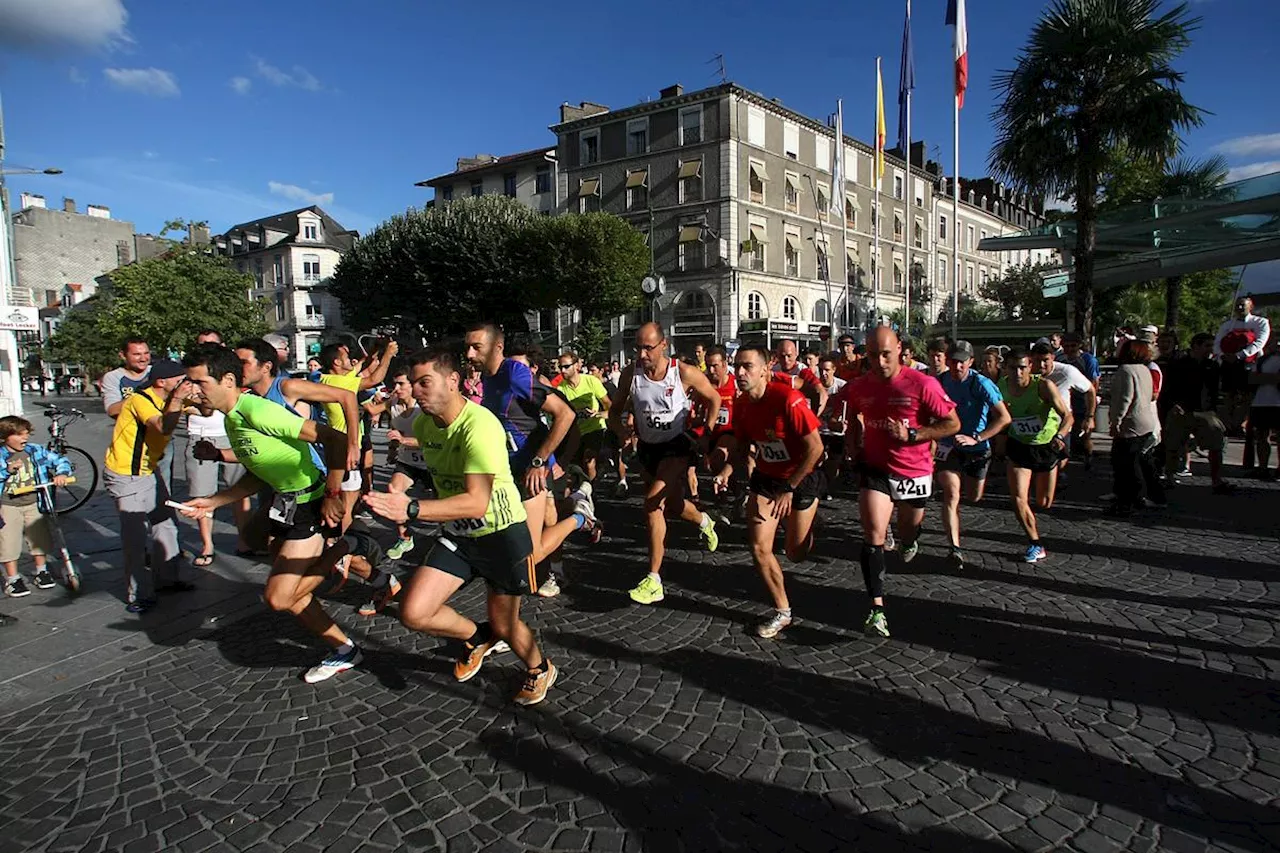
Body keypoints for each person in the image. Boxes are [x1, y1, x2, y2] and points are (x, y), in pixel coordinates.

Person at [364, 348, 561, 705]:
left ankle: (538, 667)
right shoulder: (424, 424)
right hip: (460, 533)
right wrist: (399, 482)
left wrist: (409, 508)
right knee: (414, 612)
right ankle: (477, 637)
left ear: (453, 381)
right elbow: (424, 467)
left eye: (426, 383)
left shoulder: (480, 425)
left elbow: (476, 501)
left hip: (501, 536)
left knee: (507, 625)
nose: (417, 391)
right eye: (413, 383)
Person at [178, 344, 366, 683]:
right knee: (278, 571)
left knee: (280, 597)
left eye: (199, 383)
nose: (192, 391)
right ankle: (344, 649)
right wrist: (214, 502)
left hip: (309, 503)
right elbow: (258, 472)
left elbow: (334, 438)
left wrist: (334, 494)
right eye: (190, 383)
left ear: (228, 379)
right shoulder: (232, 418)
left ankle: (346, 548)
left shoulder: (256, 411)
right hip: (286, 502)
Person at [834, 327, 959, 637]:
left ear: (900, 350)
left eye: (886, 354)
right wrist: (849, 439)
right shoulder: (860, 386)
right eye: (873, 355)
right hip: (875, 469)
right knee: (874, 534)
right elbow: (846, 413)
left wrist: (914, 435)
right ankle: (877, 609)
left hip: (914, 471)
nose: (880, 361)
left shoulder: (922, 384)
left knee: (907, 528)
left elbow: (952, 423)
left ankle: (910, 538)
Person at [466, 324, 596, 600]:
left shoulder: (513, 373)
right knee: (521, 534)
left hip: (532, 470)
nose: (468, 353)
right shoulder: (487, 379)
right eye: (468, 346)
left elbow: (565, 414)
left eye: (476, 347)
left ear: (496, 347)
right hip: (507, 471)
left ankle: (580, 517)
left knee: (532, 551)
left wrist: (540, 461)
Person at [712, 346, 824, 638]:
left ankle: (806, 532)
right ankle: (783, 611)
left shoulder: (788, 399)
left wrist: (790, 487)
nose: (740, 373)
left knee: (794, 553)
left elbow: (816, 448)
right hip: (766, 480)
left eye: (747, 366)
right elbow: (741, 445)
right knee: (760, 548)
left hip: (801, 480)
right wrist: (725, 472)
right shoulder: (743, 405)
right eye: (737, 366)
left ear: (764, 370)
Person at [608, 322, 721, 605]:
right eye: (638, 348)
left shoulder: (683, 372)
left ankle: (654, 579)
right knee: (671, 504)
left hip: (677, 446)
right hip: (648, 448)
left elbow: (714, 398)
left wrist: (706, 432)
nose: (642, 354)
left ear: (663, 345)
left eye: (648, 347)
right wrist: (620, 430)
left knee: (651, 504)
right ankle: (704, 520)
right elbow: (615, 410)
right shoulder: (630, 374)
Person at [103, 360, 194, 612]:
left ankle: (167, 578)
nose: (184, 385)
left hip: (149, 470)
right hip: (126, 474)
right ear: (161, 383)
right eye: (180, 380)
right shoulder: (140, 400)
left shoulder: (173, 398)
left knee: (165, 525)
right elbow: (163, 425)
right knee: (135, 537)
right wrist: (179, 400)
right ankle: (137, 593)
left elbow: (206, 412)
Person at [935, 341, 1011, 570]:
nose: (957, 366)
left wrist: (977, 438)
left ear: (970, 361)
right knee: (951, 494)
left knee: (973, 496)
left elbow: (1004, 418)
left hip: (977, 449)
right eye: (953, 361)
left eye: (962, 361)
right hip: (949, 447)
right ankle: (954, 548)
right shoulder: (941, 381)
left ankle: (956, 529)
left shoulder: (981, 383)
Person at [183, 329, 250, 568]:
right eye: (202, 345)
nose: (207, 349)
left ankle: (245, 538)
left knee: (240, 491)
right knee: (203, 494)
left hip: (230, 435)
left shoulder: (228, 374)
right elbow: (187, 406)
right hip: (200, 437)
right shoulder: (191, 376)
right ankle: (207, 545)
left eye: (213, 345)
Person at [998, 349, 1072, 562]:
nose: (1018, 373)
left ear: (1030, 367)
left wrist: (1060, 435)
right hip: (1018, 446)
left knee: (1044, 502)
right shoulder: (1001, 386)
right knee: (1019, 498)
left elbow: (1067, 416)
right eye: (1013, 368)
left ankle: (1035, 532)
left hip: (1047, 446)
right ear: (1006, 369)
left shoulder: (1043, 386)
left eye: (1022, 367)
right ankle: (1035, 542)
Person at [317, 341, 396, 527]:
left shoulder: (332, 378)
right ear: (336, 363)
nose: (349, 357)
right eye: (345, 355)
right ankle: (340, 540)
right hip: (345, 446)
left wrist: (375, 348)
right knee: (347, 499)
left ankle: (336, 538)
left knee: (346, 495)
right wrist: (388, 355)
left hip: (342, 444)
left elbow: (362, 365)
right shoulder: (339, 382)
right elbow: (374, 379)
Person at [0, 416, 73, 596]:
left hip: (34, 502)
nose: (24, 438)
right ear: (5, 437)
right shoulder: (1, 455)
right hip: (7, 504)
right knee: (9, 541)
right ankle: (13, 579)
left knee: (39, 537)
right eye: (18, 435)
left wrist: (62, 473)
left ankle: (42, 571)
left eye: (26, 434)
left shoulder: (35, 451)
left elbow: (60, 460)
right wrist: (6, 471)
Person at [1161, 333, 1235, 493]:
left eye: (1211, 346)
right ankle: (1169, 476)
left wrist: (1219, 412)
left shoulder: (1213, 366)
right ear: (1196, 346)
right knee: (1173, 445)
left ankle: (1216, 480)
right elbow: (1168, 388)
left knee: (1216, 445)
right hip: (1181, 410)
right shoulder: (1179, 364)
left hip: (1206, 411)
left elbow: (1216, 391)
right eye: (1207, 345)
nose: (1210, 349)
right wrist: (1173, 404)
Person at [1107, 338, 1165, 516]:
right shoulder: (1145, 369)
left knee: (1125, 464)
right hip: (1145, 421)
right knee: (1141, 461)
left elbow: (1124, 399)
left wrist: (1115, 421)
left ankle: (1129, 501)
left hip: (1131, 424)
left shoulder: (1126, 370)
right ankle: (1151, 495)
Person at [384, 368, 436, 560]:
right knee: (393, 490)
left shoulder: (423, 408)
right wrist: (392, 449)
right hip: (408, 463)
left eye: (401, 384)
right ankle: (405, 538)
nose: (396, 389)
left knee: (443, 504)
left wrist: (404, 440)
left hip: (431, 463)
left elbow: (432, 440)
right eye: (395, 384)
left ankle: (448, 539)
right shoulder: (394, 404)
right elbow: (394, 430)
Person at [1030, 341, 1096, 477]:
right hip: (1034, 427)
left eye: (1045, 360)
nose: (1041, 365)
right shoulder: (1026, 371)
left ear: (1053, 358)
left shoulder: (1067, 372)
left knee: (1058, 462)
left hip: (1061, 425)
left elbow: (1090, 390)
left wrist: (1089, 417)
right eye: (1037, 360)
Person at [1215, 295, 1271, 435]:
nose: (1239, 308)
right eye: (1238, 305)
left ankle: (1243, 423)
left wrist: (1240, 355)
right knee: (1229, 395)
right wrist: (1223, 355)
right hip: (1228, 364)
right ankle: (1228, 424)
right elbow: (1217, 343)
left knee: (1247, 396)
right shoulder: (1227, 325)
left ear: (1250, 307)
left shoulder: (1261, 322)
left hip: (1249, 364)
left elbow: (1259, 343)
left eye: (1243, 305)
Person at [555, 352, 611, 482]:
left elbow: (608, 404)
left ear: (576, 366)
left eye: (566, 366)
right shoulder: (560, 389)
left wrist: (601, 414)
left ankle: (591, 490)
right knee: (575, 467)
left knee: (588, 460)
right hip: (575, 431)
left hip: (595, 427)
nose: (562, 371)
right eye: (560, 367)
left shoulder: (591, 381)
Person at [1058, 332, 1102, 469]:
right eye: (1066, 346)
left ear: (1079, 346)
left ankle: (1088, 457)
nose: (1070, 349)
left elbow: (1094, 383)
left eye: (1073, 346)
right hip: (1066, 403)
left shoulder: (1088, 360)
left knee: (1084, 435)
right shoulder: (1059, 359)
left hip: (1083, 403)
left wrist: (1091, 411)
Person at [1249, 335, 1280, 480]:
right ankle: (1262, 468)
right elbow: (1252, 378)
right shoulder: (1262, 360)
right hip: (1261, 402)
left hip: (1277, 403)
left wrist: (1263, 378)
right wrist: (1270, 378)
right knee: (1261, 436)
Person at [772, 338, 827, 415]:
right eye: (782, 356)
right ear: (777, 355)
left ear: (796, 354)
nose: (786, 360)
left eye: (789, 356)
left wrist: (815, 416)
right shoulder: (774, 370)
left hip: (797, 411)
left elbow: (821, 392)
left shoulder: (802, 370)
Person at [102, 337, 153, 419]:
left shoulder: (157, 372)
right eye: (137, 354)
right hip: (129, 429)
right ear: (123, 355)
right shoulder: (113, 377)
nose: (143, 359)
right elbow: (112, 410)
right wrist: (141, 398)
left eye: (146, 353)